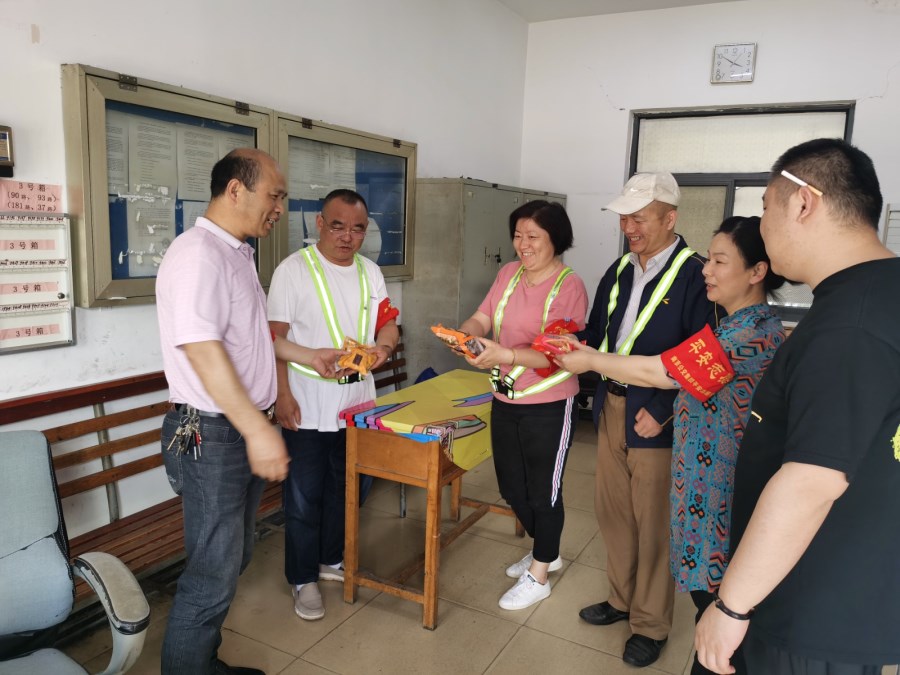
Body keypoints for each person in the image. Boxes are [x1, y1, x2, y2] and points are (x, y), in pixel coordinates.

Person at [695, 138, 900, 675]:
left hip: (806, 607)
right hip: (850, 588)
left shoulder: (848, 327)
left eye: (766, 207)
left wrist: (731, 606)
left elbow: (812, 480)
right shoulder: (879, 295)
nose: (763, 225)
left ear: (803, 203)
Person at [557, 215, 786, 675]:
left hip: (717, 495)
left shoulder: (747, 335)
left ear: (757, 271)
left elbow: (661, 371)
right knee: (629, 527)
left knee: (717, 608)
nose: (707, 270)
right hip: (698, 480)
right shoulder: (732, 325)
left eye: (719, 261)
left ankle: (667, 631)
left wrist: (590, 360)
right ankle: (631, 604)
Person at [157, 149, 344, 675]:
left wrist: (307, 355)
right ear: (235, 190)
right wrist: (255, 431)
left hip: (235, 429)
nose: (280, 208)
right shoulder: (198, 256)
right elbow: (202, 349)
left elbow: (250, 339)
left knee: (231, 560)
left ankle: (201, 662)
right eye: (275, 196)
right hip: (214, 434)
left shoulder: (236, 253)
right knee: (211, 574)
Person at [576, 172, 715, 668]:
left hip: (657, 418)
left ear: (669, 218)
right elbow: (598, 335)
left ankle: (651, 623)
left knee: (654, 523)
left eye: (639, 218)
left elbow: (703, 359)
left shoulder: (696, 276)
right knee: (614, 514)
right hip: (612, 407)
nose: (628, 227)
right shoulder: (617, 271)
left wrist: (663, 413)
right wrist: (570, 343)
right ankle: (621, 599)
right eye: (624, 218)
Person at [268, 188, 399, 622]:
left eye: (357, 229)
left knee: (347, 488)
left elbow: (388, 324)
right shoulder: (293, 271)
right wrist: (282, 394)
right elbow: (273, 339)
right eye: (338, 226)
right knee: (303, 497)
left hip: (357, 402)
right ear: (320, 224)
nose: (347, 237)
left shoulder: (370, 272)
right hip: (306, 402)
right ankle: (302, 578)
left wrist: (383, 348)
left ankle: (331, 559)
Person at [458, 200, 588, 611]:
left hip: (549, 403)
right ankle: (546, 549)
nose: (523, 244)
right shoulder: (508, 273)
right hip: (506, 397)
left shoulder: (569, 286)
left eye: (533, 236)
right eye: (518, 235)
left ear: (556, 239)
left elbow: (556, 354)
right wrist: (466, 335)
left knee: (544, 492)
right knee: (512, 487)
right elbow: (482, 316)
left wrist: (505, 354)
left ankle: (541, 571)